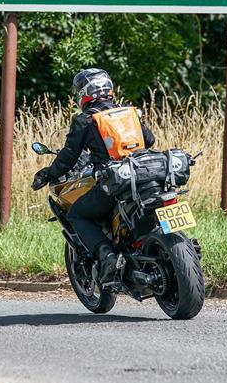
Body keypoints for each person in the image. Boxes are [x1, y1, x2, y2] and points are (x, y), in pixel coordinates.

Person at [31, 68, 155, 283]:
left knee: (77, 214)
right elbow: (150, 140)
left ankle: (107, 256)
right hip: (146, 175)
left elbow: (69, 158)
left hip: (115, 182)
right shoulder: (130, 112)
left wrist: (47, 174)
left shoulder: (86, 120)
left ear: (84, 93)